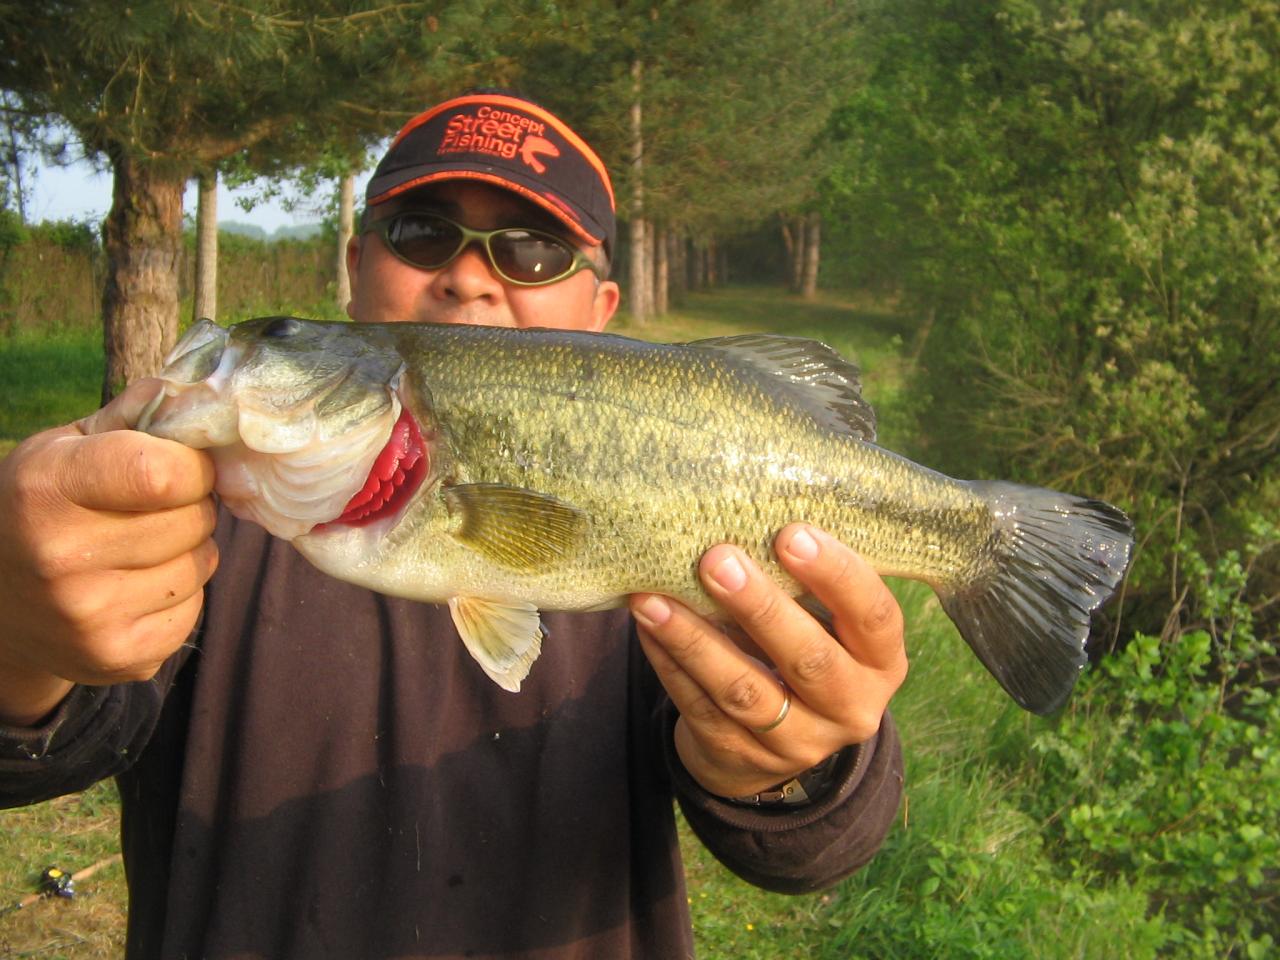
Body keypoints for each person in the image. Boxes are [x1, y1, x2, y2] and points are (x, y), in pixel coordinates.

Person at [0, 91, 906, 959]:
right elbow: (48, 748)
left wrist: (795, 767)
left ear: (603, 313)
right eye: (423, 232)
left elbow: (810, 846)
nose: (470, 274)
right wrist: (19, 636)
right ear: (354, 272)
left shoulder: (687, 540)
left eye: (535, 250)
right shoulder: (194, 529)